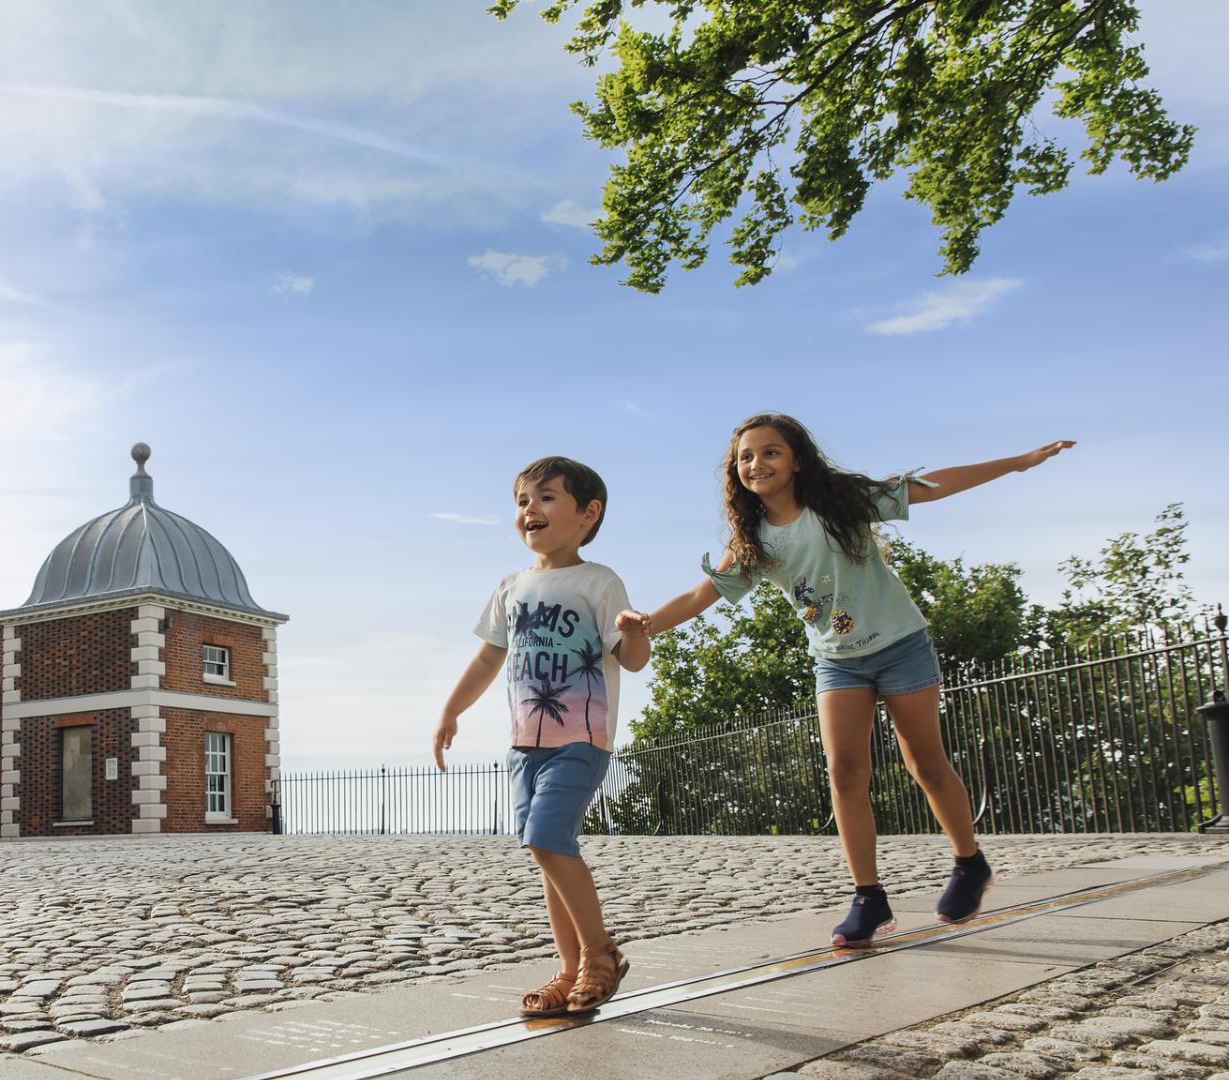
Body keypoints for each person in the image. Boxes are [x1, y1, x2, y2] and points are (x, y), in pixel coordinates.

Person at [618, 414, 1073, 947]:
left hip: (900, 645)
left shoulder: (841, 501)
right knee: (845, 773)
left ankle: (970, 863)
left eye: (770, 452)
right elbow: (702, 596)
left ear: (796, 459)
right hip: (837, 661)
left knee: (924, 762)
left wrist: (1018, 462)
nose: (756, 463)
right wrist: (646, 621)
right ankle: (868, 897)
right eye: (745, 456)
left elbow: (936, 484)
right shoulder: (754, 539)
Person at [434, 456, 650, 1016]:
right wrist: (451, 711)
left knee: (546, 838)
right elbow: (488, 657)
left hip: (580, 739)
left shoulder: (599, 581)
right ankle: (571, 967)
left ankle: (600, 956)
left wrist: (635, 633)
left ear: (588, 513)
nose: (530, 509)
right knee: (548, 853)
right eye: (522, 501)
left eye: (546, 497)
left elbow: (631, 660)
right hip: (523, 746)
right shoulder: (512, 587)